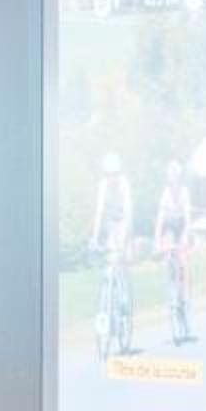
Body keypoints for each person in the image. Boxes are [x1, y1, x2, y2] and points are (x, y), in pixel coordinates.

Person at [87, 152, 134, 354]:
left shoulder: (124, 184)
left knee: (119, 255)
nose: (111, 177)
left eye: (114, 173)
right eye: (108, 174)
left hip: (123, 221)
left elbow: (129, 213)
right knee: (108, 260)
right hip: (110, 222)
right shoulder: (103, 185)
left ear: (118, 172)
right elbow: (99, 212)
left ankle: (123, 299)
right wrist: (94, 238)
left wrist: (123, 241)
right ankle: (107, 300)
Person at [152, 160, 195, 344]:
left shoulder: (184, 192)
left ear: (180, 178)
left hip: (181, 228)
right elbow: (160, 220)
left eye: (176, 177)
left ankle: (184, 297)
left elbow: (188, 218)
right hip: (169, 229)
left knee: (183, 264)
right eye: (171, 178)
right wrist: (157, 242)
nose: (174, 181)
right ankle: (173, 296)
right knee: (169, 257)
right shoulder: (165, 195)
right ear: (168, 180)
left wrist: (185, 237)